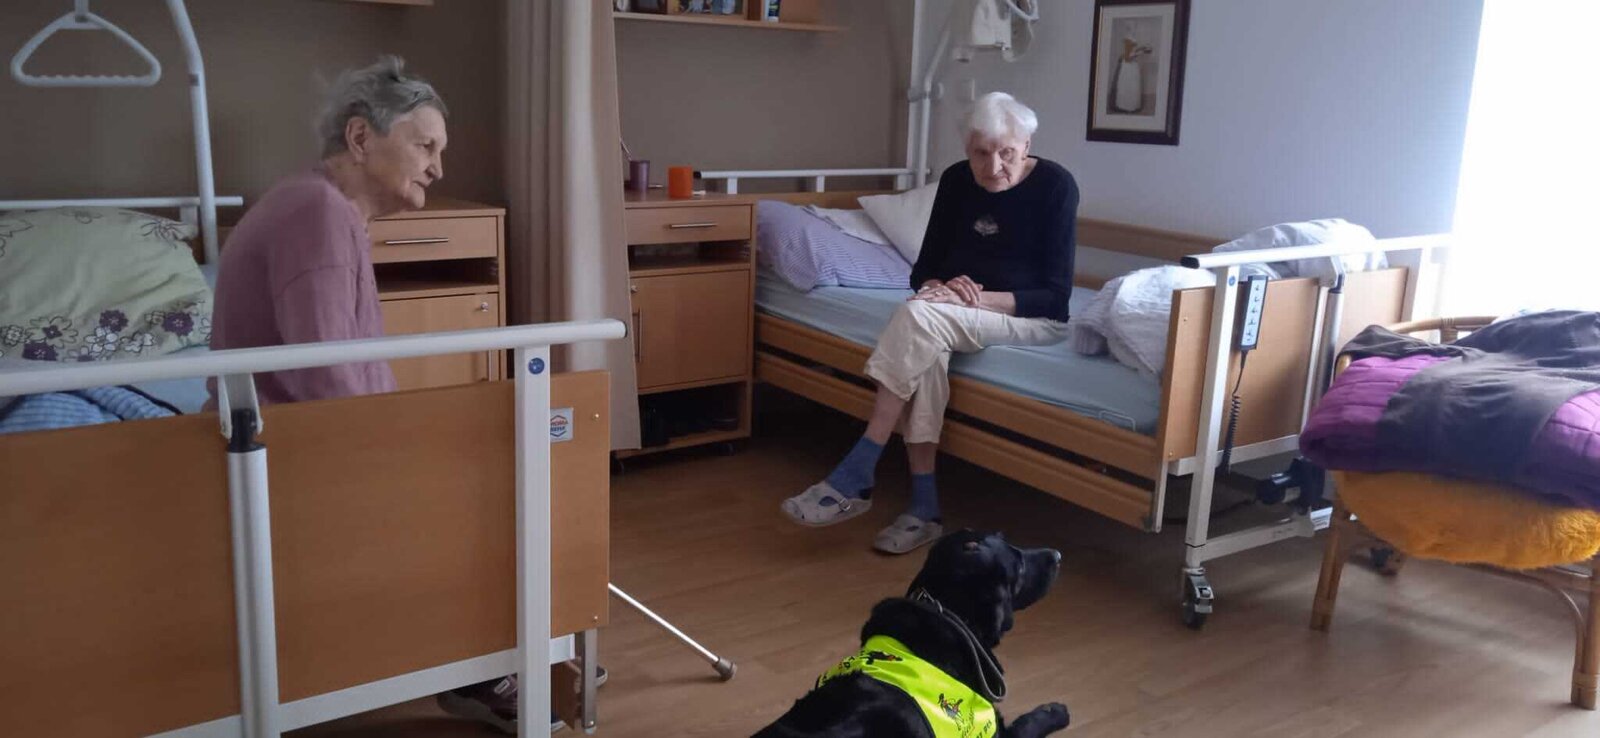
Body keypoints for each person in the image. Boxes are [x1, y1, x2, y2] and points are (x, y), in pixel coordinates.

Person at [780, 92, 1080, 555]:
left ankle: (858, 469)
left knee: (918, 316)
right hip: (950, 315)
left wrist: (973, 298)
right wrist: (941, 286)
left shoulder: (1056, 187)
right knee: (926, 346)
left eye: (1007, 153)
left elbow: (1056, 299)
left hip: (1028, 318)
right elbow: (923, 270)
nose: (994, 166)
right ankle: (924, 510)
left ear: (1027, 145)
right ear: (966, 150)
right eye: (981, 153)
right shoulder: (957, 181)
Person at [209, 55, 446, 404]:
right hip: (289, 434)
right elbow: (328, 381)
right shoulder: (317, 212)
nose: (437, 170)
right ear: (360, 138)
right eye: (426, 146)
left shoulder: (332, 209)